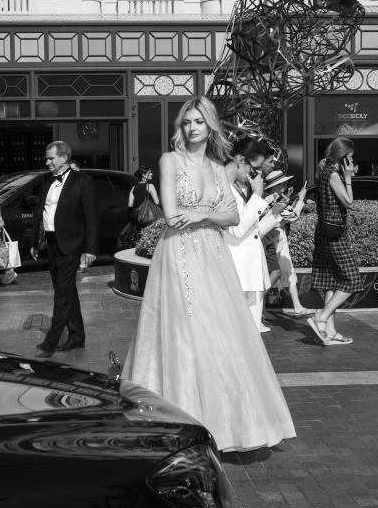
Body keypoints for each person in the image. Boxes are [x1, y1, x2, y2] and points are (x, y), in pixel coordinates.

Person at [122, 96, 295, 453]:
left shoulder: (219, 167)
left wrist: (201, 215)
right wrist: (210, 212)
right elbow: (171, 216)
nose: (192, 128)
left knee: (219, 330)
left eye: (199, 121)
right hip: (179, 254)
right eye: (186, 122)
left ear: (210, 125)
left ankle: (226, 423)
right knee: (183, 330)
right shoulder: (170, 161)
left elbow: (232, 218)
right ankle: (181, 418)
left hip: (213, 256)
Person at [30, 141, 98, 356]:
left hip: (71, 245)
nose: (47, 161)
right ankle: (77, 336)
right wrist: (34, 242)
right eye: (47, 158)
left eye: (51, 158)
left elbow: (92, 218)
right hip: (51, 244)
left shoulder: (83, 181)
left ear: (64, 158)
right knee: (68, 293)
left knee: (61, 295)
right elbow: (40, 213)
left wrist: (91, 249)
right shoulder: (46, 182)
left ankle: (51, 342)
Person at [223, 137, 285, 333]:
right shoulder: (223, 188)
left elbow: (253, 231)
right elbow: (237, 229)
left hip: (250, 271)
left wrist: (275, 214)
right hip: (237, 271)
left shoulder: (239, 186)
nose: (256, 175)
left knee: (251, 336)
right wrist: (258, 195)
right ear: (241, 160)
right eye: (255, 168)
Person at [307, 138, 362, 345]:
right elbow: (349, 202)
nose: (351, 163)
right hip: (334, 234)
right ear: (343, 157)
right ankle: (320, 317)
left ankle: (329, 331)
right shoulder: (332, 174)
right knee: (352, 280)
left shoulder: (324, 169)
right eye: (350, 158)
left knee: (332, 281)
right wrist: (348, 179)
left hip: (324, 231)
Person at [262, 169, 311, 317]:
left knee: (282, 272)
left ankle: (295, 306)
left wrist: (293, 199)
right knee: (282, 271)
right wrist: (301, 198)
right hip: (274, 238)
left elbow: (287, 213)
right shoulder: (273, 200)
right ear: (278, 185)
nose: (285, 184)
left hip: (274, 238)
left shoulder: (271, 198)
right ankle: (258, 306)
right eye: (283, 182)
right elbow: (292, 216)